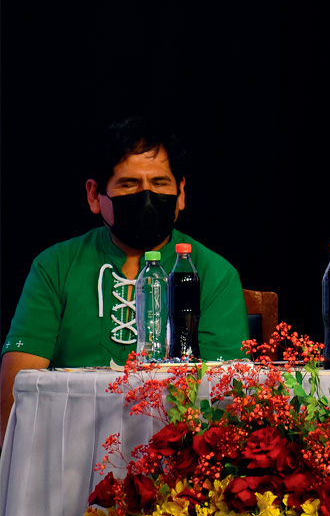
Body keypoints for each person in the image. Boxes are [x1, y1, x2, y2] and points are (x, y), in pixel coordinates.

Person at [1, 118, 249, 439]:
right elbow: (19, 386)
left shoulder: (215, 273)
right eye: (129, 184)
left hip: (176, 454)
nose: (146, 197)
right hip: (67, 445)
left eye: (160, 183)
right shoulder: (55, 265)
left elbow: (224, 394)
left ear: (181, 193)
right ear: (95, 195)